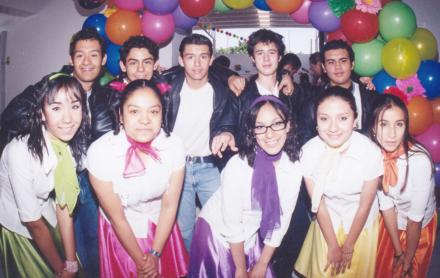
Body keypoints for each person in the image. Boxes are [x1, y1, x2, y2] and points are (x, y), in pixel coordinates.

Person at [189, 95, 303, 277]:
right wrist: (241, 270)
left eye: (277, 123)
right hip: (218, 232)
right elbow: (232, 224)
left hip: (249, 234)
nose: (270, 133)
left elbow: (282, 221)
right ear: (252, 131)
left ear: (288, 125)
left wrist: (263, 263)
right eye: (260, 126)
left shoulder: (293, 167)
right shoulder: (238, 166)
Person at [87, 79, 188, 277]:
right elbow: (117, 218)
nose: (145, 120)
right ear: (120, 115)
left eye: (153, 111)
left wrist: (155, 253)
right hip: (122, 231)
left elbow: (169, 206)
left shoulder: (174, 145)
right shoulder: (100, 152)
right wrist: (141, 261)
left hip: (161, 227)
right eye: (134, 112)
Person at [0, 73, 89, 277]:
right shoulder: (20, 152)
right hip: (19, 229)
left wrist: (71, 262)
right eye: (56, 108)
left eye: (75, 107)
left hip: (46, 216)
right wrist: (61, 271)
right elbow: (32, 222)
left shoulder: (66, 148)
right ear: (41, 113)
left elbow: (64, 207)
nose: (68, 119)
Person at [295, 86, 383, 277]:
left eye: (343, 118)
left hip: (360, 225)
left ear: (355, 120)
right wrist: (332, 245)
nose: (333, 128)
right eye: (324, 119)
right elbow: (319, 204)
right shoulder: (309, 152)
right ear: (316, 122)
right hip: (327, 222)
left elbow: (364, 206)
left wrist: (349, 246)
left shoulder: (370, 152)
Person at [162, 33, 238, 251]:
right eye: (190, 57)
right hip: (177, 169)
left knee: (220, 226)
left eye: (203, 57)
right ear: (180, 59)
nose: (197, 64)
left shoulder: (222, 91)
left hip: (210, 167)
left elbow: (231, 121)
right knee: (184, 230)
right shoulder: (167, 89)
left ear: (211, 59)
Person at [370, 94, 437, 278]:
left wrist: (407, 261)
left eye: (399, 124)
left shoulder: (419, 162)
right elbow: (386, 205)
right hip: (390, 221)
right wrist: (398, 251)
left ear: (406, 126)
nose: (392, 134)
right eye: (384, 124)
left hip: (419, 227)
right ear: (373, 128)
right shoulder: (374, 156)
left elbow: (415, 220)